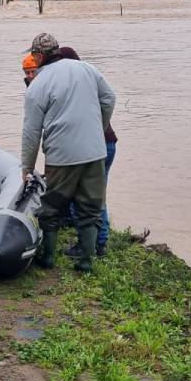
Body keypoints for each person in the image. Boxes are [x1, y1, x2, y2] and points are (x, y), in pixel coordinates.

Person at [20, 32, 116, 272]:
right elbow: (109, 98)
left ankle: (48, 258)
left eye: (33, 55)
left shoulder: (37, 85)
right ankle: (86, 261)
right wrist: (99, 129)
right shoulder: (86, 69)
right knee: (90, 208)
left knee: (51, 209)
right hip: (95, 153)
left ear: (39, 56)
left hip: (61, 157)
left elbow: (31, 132)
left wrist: (27, 168)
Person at [54, 46, 117, 258]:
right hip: (106, 144)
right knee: (97, 196)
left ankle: (92, 244)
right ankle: (99, 241)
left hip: (94, 147)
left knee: (85, 197)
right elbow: (109, 99)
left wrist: (96, 131)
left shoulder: (68, 87)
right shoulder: (87, 83)